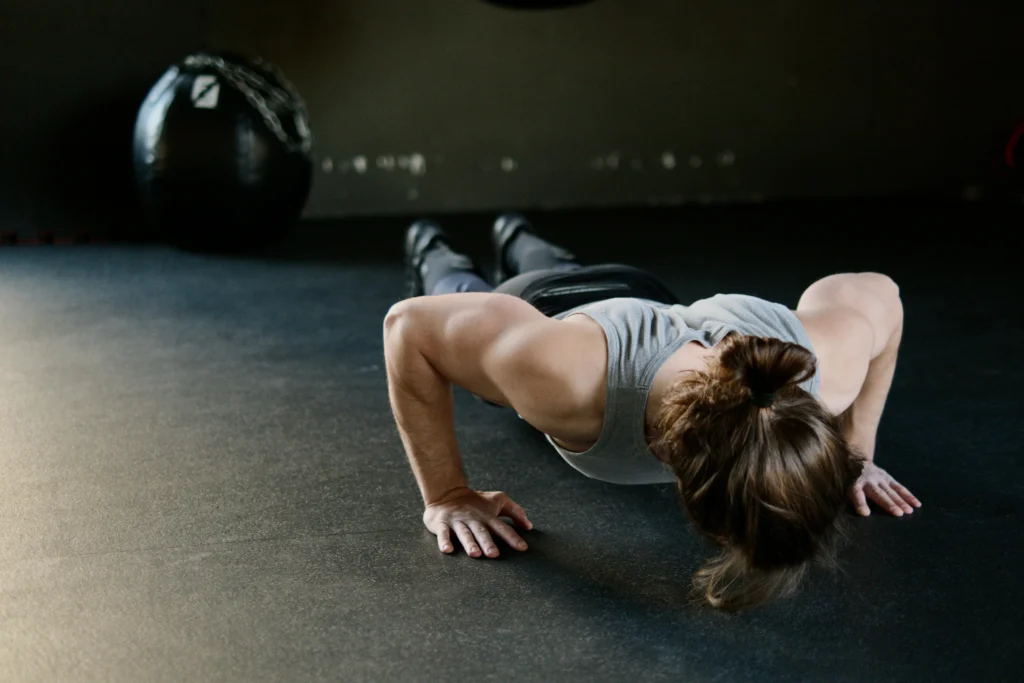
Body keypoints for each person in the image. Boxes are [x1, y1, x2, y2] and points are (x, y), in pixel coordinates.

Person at [383, 213, 921, 611]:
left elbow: (885, 296)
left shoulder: (827, 367)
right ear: (677, 470)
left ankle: (517, 233)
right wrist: (447, 495)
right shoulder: (561, 381)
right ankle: (433, 246)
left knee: (570, 266)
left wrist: (856, 454)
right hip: (545, 308)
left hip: (638, 294)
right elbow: (409, 327)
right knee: (459, 292)